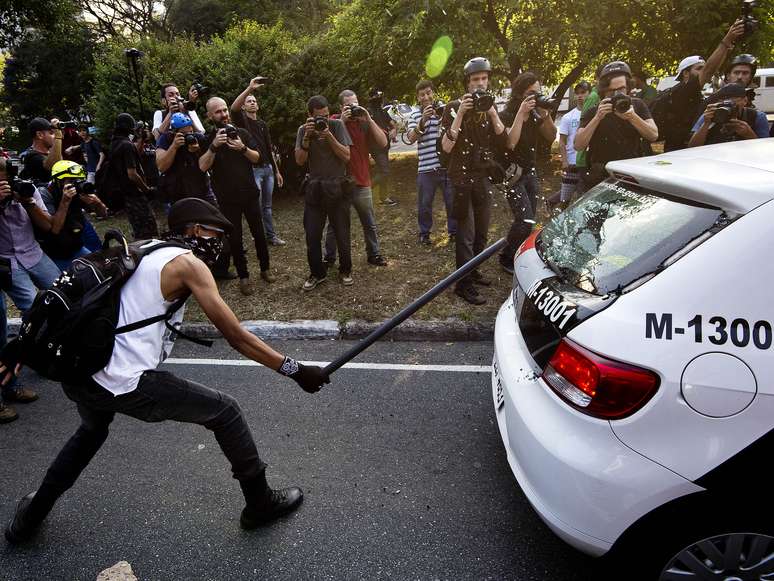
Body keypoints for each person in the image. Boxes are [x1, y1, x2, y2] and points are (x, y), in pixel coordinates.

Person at [1, 197, 330, 543]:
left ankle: (31, 514)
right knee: (226, 411)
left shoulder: (145, 247)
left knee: (90, 432)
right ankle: (260, 502)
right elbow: (236, 337)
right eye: (214, 233)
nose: (218, 244)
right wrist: (296, 371)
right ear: (192, 229)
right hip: (125, 380)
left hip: (83, 371)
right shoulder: (188, 264)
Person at [440, 57, 507, 305]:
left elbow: (503, 139)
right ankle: (463, 284)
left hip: (482, 178)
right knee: (465, 235)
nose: (480, 84)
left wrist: (491, 112)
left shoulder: (489, 107)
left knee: (481, 233)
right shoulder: (454, 107)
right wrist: (461, 113)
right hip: (460, 180)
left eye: (484, 79)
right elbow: (446, 147)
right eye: (475, 80)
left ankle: (474, 270)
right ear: (467, 83)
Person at [0, 157, 62, 422]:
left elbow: (48, 226)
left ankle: (34, 354)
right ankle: (11, 382)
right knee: (27, 312)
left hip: (33, 254)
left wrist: (27, 202)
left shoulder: (26, 188)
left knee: (62, 299)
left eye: (7, 173)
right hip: (6, 262)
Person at [200, 97, 274, 296]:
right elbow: (202, 166)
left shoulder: (241, 133)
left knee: (259, 234)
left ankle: (265, 269)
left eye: (225, 110)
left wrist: (242, 148)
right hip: (227, 199)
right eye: (218, 112)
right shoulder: (207, 138)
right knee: (235, 239)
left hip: (249, 194)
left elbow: (258, 158)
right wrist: (214, 146)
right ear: (209, 116)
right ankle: (244, 277)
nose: (223, 114)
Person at [498, 72, 558, 272]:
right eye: (531, 93)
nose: (536, 97)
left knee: (529, 219)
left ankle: (516, 251)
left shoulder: (535, 114)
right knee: (523, 220)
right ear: (519, 95)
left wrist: (546, 114)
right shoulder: (506, 115)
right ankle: (506, 257)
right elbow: (509, 143)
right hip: (512, 175)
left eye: (538, 93)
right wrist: (521, 115)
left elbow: (551, 136)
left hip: (531, 173)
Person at [653, 20, 745, 152]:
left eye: (703, 68)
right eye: (699, 68)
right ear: (685, 73)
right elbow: (709, 70)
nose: (703, 71)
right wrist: (727, 40)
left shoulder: (695, 94)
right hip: (678, 153)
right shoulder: (681, 92)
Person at [294, 95, 353, 291]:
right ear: (309, 115)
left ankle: (345, 270)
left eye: (326, 116)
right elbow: (300, 161)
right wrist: (306, 138)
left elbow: (346, 156)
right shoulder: (304, 130)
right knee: (312, 235)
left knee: (342, 233)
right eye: (319, 117)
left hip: (337, 186)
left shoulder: (336, 126)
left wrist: (329, 136)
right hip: (315, 189)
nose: (323, 121)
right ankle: (317, 273)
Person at [324, 90, 388, 268]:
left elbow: (383, 143)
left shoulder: (364, 121)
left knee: (369, 222)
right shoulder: (335, 121)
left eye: (355, 104)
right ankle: (329, 257)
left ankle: (374, 254)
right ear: (340, 107)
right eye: (348, 105)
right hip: (340, 181)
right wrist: (343, 121)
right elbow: (327, 142)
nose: (353, 109)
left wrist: (368, 116)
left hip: (361, 181)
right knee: (334, 224)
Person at [574, 61, 658, 189]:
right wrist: (597, 118)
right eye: (611, 91)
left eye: (621, 89)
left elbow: (653, 135)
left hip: (632, 174)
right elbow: (578, 145)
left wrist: (632, 117)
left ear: (628, 87)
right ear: (603, 91)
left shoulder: (637, 105)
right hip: (602, 177)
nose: (617, 95)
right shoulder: (594, 111)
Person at [231, 77, 286, 246]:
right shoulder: (243, 122)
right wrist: (250, 89)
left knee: (267, 207)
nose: (252, 103)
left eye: (254, 101)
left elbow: (269, 149)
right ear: (245, 106)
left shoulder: (262, 124)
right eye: (249, 101)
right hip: (253, 170)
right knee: (256, 206)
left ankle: (271, 236)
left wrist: (276, 171)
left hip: (268, 169)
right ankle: (259, 236)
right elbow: (233, 109)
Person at [406, 80, 456, 245]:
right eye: (422, 94)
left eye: (428, 93)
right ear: (418, 97)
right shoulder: (414, 115)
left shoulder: (444, 110)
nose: (426, 97)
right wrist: (423, 119)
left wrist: (442, 116)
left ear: (433, 93)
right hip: (426, 167)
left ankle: (454, 232)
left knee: (451, 201)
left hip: (446, 166)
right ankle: (424, 233)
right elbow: (411, 138)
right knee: (425, 204)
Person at [36, 161, 108, 271]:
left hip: (76, 245)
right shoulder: (45, 194)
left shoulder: (79, 191)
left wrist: (98, 203)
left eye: (78, 180)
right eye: (71, 180)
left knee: (100, 269)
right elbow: (54, 229)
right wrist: (65, 202)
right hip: (55, 252)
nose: (76, 184)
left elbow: (103, 215)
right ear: (57, 180)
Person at [544, 81, 591, 214]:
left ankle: (554, 202)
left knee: (581, 189)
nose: (580, 96)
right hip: (572, 161)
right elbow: (562, 141)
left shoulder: (593, 113)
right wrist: (564, 161)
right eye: (578, 93)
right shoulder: (568, 117)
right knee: (567, 193)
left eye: (584, 92)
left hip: (588, 161)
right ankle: (557, 207)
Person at [110, 113, 159, 239]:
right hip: (135, 194)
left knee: (138, 228)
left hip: (125, 194)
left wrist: (142, 140)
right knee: (148, 230)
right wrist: (146, 189)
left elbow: (132, 154)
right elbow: (132, 174)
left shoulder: (115, 143)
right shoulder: (127, 145)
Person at [155, 113, 217, 206]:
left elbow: (208, 159)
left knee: (214, 216)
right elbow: (161, 167)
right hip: (178, 191)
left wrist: (197, 150)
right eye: (184, 133)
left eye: (190, 132)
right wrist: (174, 146)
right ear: (174, 132)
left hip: (201, 188)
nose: (188, 136)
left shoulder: (197, 137)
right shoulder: (166, 139)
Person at [688, 83, 769, 147]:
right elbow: (692, 147)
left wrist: (748, 134)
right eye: (723, 102)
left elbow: (764, 149)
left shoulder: (757, 116)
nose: (728, 106)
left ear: (745, 101)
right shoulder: (711, 114)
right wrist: (706, 124)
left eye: (733, 103)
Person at [366, 89, 397, 207]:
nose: (378, 98)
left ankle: (383, 197)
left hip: (385, 146)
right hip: (374, 147)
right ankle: (366, 190)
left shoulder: (383, 111)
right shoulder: (367, 112)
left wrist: (394, 131)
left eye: (378, 96)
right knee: (384, 171)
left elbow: (393, 124)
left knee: (384, 171)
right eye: (375, 96)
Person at [19, 118, 63, 186]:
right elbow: (56, 166)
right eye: (51, 133)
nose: (54, 136)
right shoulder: (32, 157)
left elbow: (60, 164)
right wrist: (58, 137)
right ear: (40, 135)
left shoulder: (50, 153)